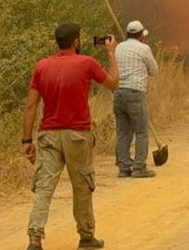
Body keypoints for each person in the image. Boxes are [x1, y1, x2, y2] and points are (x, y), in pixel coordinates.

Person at [21, 22, 119, 250]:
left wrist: (26, 141)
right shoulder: (87, 63)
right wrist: (111, 54)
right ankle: (86, 237)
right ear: (76, 41)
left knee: (44, 188)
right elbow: (114, 84)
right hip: (78, 135)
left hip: (48, 136)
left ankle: (34, 239)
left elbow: (31, 106)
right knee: (82, 186)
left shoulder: (41, 66)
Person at [114, 20, 159, 179]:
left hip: (118, 93)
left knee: (123, 133)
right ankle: (139, 168)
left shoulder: (118, 47)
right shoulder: (144, 48)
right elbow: (154, 70)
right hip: (135, 93)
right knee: (141, 131)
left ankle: (123, 168)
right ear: (141, 35)